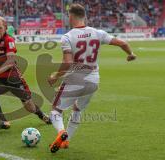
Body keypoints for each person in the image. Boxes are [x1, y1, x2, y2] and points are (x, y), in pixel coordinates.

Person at [47, 4, 136, 153]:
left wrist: (55, 76)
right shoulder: (97, 33)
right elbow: (123, 43)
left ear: (71, 16)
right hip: (94, 79)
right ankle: (66, 141)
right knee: (77, 109)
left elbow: (68, 63)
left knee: (56, 110)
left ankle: (62, 132)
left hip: (76, 78)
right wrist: (131, 54)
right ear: (85, 17)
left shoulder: (67, 37)